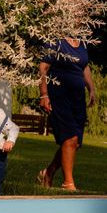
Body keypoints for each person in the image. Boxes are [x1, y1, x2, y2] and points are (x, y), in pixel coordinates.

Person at [36, 38, 96, 191]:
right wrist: (44, 94)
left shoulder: (83, 42)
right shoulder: (56, 41)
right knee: (70, 138)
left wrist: (91, 88)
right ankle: (68, 183)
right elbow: (43, 68)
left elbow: (84, 66)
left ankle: (48, 173)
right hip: (59, 95)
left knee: (75, 143)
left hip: (77, 98)